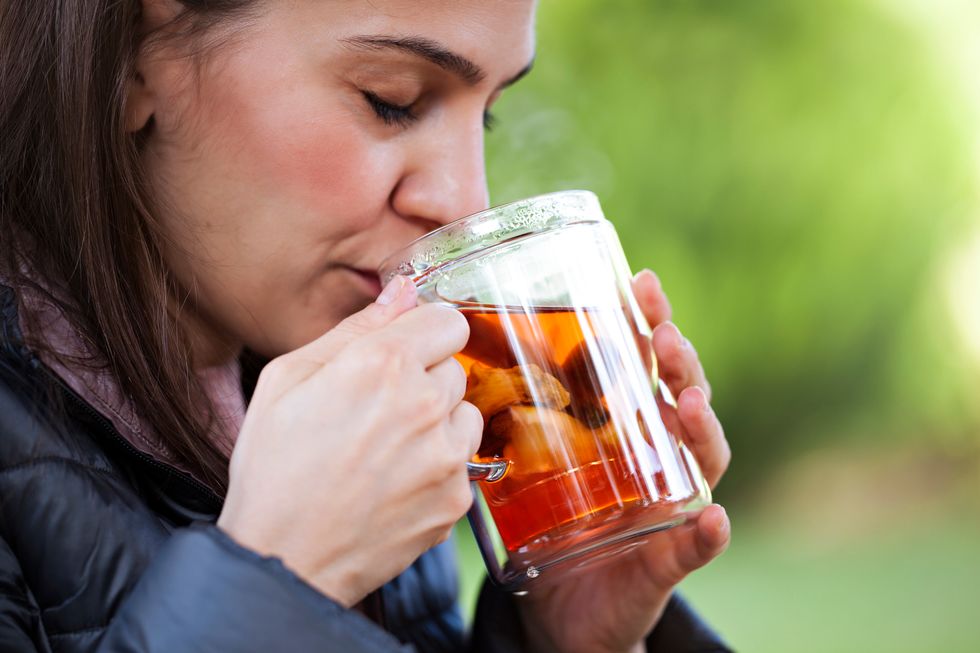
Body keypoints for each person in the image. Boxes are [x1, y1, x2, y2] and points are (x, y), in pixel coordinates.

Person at [0, 1, 733, 651]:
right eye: (393, 101)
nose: (463, 200)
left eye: (487, 115)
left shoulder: (371, 424)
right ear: (138, 56)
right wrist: (280, 575)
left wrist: (562, 639)